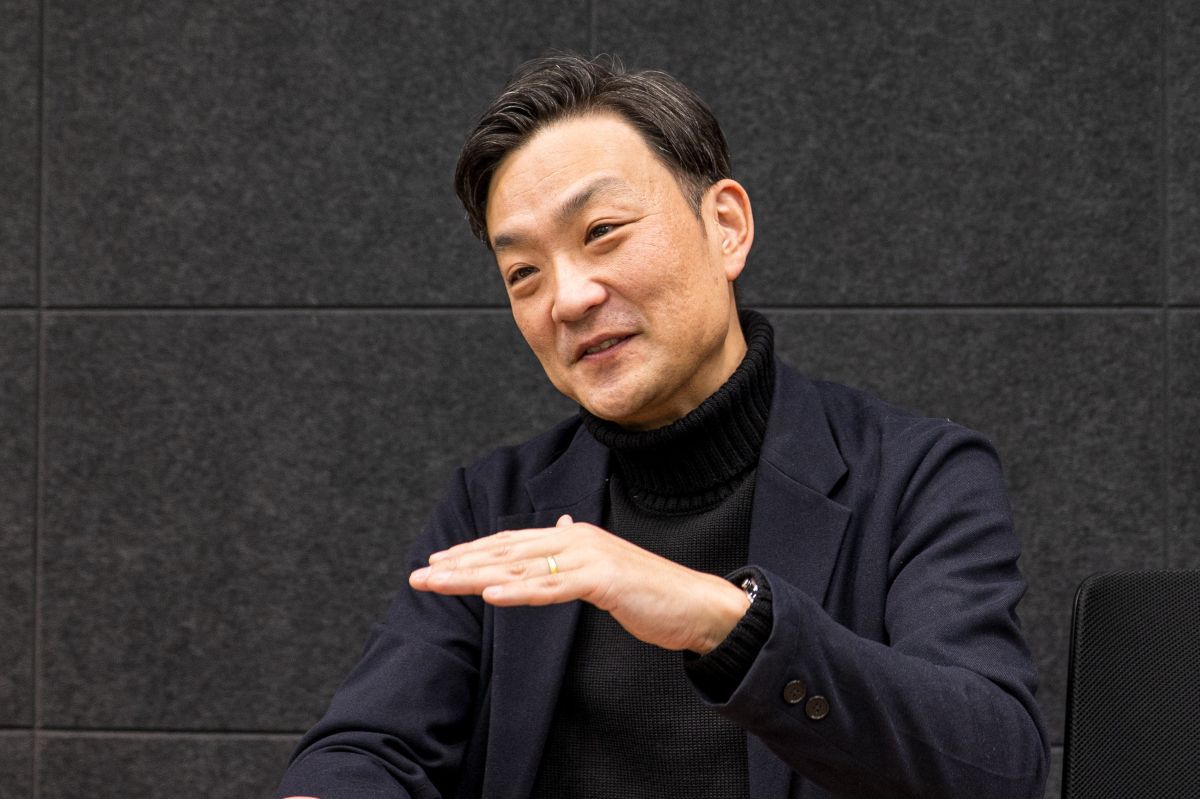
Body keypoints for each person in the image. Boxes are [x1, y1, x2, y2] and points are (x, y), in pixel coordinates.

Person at [276, 53, 1049, 799]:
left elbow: (995, 767)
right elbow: (367, 746)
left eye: (602, 231)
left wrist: (724, 622)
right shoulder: (498, 504)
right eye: (524, 273)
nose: (568, 298)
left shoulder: (915, 475)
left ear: (727, 227)